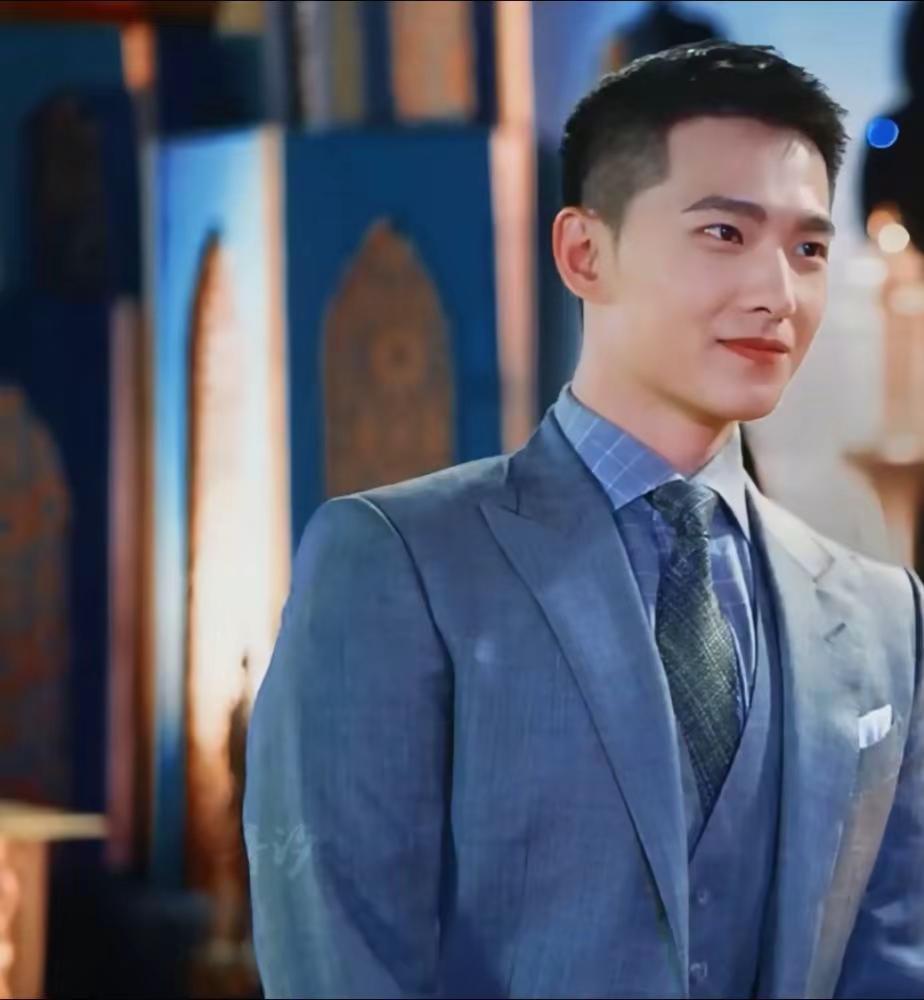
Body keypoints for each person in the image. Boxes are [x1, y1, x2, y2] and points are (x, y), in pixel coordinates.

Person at [244, 42, 924, 999]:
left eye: (807, 248)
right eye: (724, 233)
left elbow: (890, 961)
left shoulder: (887, 618)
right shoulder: (398, 563)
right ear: (582, 253)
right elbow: (341, 963)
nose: (778, 293)